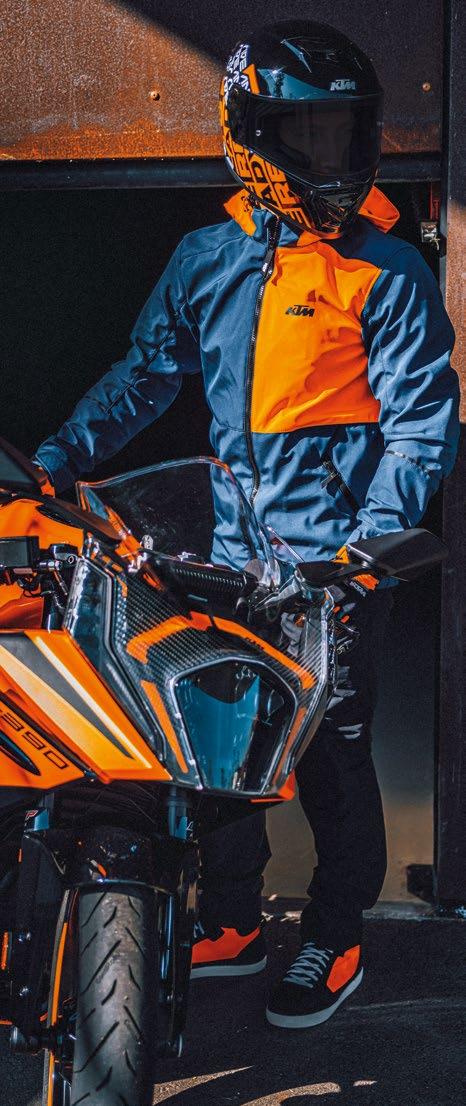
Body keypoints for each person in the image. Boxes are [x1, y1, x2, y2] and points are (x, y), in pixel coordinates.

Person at [33, 21, 459, 1029]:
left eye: (344, 133)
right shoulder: (207, 257)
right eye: (306, 135)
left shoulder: (388, 270)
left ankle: (336, 933)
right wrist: (57, 461)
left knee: (330, 756)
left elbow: (420, 429)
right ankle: (232, 919)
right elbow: (146, 376)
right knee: (211, 742)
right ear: (252, 136)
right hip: (223, 560)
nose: (330, 156)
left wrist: (366, 549)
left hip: (332, 568)